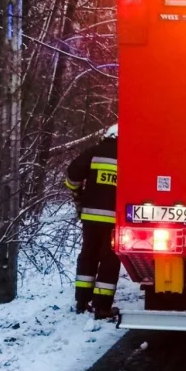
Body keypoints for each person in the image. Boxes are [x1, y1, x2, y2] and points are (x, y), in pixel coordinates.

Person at [65, 124, 120, 319]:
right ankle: (102, 307)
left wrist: (77, 194)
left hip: (90, 216)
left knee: (88, 255)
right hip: (115, 220)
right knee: (109, 259)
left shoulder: (94, 152)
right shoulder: (130, 155)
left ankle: (82, 301)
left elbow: (72, 174)